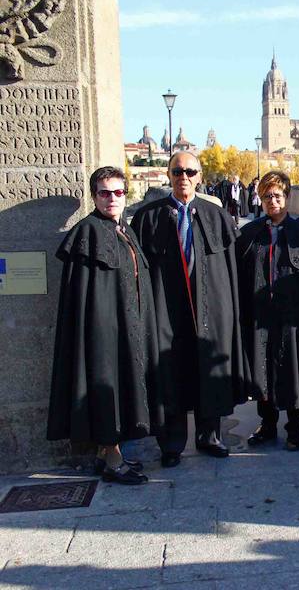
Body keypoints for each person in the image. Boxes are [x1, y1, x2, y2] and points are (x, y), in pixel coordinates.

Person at [131, 151, 247, 468]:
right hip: (166, 309)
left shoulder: (216, 215)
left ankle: (210, 436)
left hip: (210, 307)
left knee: (209, 370)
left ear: (200, 176)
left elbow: (231, 269)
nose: (184, 177)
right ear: (169, 175)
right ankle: (171, 443)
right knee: (171, 373)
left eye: (190, 171)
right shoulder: (149, 216)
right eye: (178, 171)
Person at [47, 166, 158, 485]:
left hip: (126, 326)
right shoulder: (88, 232)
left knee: (120, 387)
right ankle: (112, 458)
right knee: (106, 388)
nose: (112, 198)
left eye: (119, 192)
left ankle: (108, 454)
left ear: (126, 195)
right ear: (94, 196)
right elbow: (85, 295)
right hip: (103, 331)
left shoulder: (123, 229)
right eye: (105, 193)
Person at [237, 171, 299, 451]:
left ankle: (294, 426)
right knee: (262, 370)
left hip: (293, 318)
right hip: (261, 316)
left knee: (293, 372)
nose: (272, 200)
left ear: (287, 197)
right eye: (267, 196)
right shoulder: (250, 234)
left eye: (277, 195)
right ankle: (267, 423)